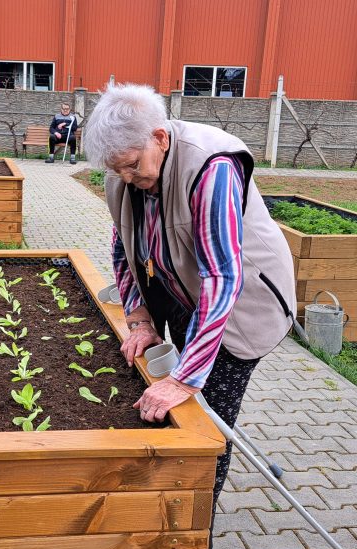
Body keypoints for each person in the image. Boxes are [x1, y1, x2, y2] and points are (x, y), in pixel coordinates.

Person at [83, 83, 296, 513]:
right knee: (183, 393)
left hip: (242, 305)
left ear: (160, 138)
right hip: (180, 290)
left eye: (131, 166)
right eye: (116, 170)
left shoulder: (211, 166)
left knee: (208, 420)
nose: (127, 179)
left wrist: (184, 379)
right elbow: (124, 246)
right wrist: (139, 319)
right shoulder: (127, 172)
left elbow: (221, 276)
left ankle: (196, 522)